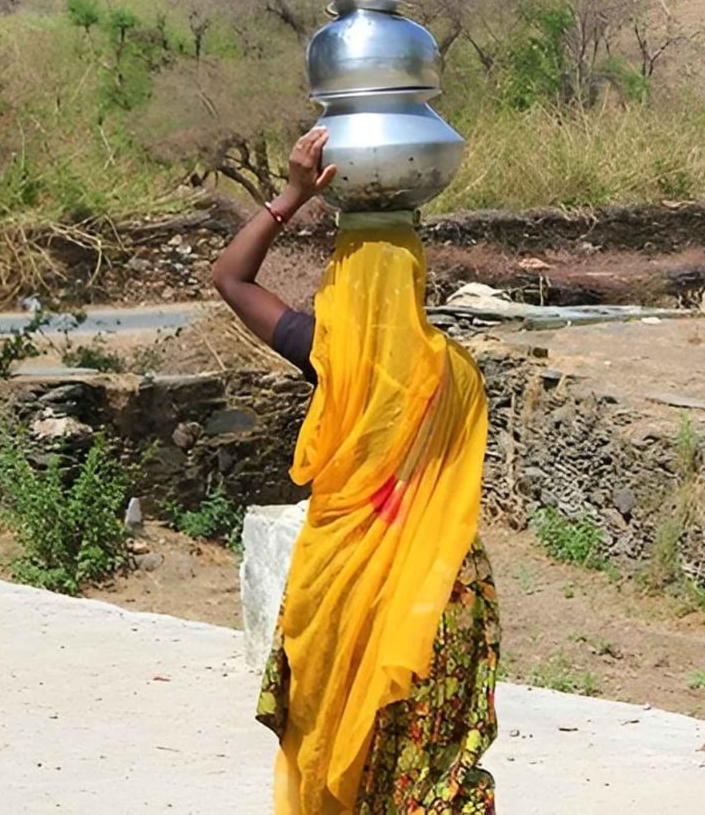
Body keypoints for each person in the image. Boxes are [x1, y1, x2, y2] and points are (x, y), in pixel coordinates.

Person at [212, 127, 500, 815]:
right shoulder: (456, 375)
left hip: (340, 597)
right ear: (417, 276)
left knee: (347, 763)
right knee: (431, 780)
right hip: (437, 603)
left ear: (341, 278)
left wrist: (289, 198)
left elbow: (230, 278)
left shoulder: (329, 358)